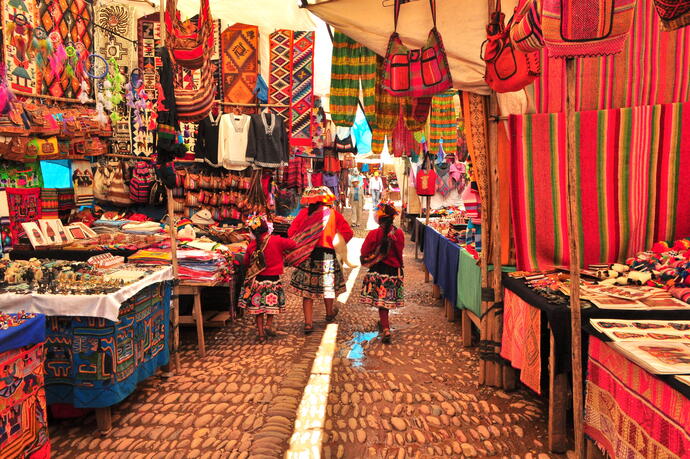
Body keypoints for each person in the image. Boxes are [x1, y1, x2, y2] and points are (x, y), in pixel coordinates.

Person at [287, 187, 354, 334]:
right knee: (328, 287)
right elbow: (348, 233)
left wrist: (304, 239)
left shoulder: (304, 213)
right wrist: (337, 245)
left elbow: (291, 232)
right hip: (328, 255)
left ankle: (308, 323)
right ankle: (329, 313)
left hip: (308, 256)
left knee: (307, 292)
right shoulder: (333, 214)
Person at [239, 215, 296, 341]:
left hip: (257, 281)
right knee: (271, 306)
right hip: (273, 280)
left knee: (258, 309)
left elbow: (246, 262)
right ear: (267, 229)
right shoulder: (277, 240)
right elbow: (293, 244)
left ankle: (260, 334)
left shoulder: (251, 245)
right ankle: (268, 325)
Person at [359, 200, 404, 344]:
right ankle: (385, 326)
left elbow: (364, 251)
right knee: (386, 302)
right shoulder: (399, 234)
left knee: (381, 302)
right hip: (392, 271)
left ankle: (385, 328)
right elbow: (399, 252)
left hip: (378, 271)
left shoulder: (374, 234)